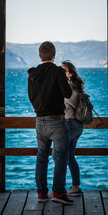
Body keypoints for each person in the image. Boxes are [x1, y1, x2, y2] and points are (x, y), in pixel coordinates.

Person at [28, 41, 74, 205]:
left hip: (40, 120)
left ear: (40, 56)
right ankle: (58, 193)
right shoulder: (57, 72)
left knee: (41, 157)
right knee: (60, 157)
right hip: (57, 120)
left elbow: (31, 97)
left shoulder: (33, 74)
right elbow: (67, 94)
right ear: (54, 55)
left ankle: (41, 194)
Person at [61, 61, 84, 196]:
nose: (61, 73)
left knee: (58, 156)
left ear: (70, 73)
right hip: (78, 125)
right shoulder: (77, 87)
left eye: (64, 70)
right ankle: (75, 187)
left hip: (69, 124)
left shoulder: (69, 88)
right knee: (70, 157)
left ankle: (61, 188)